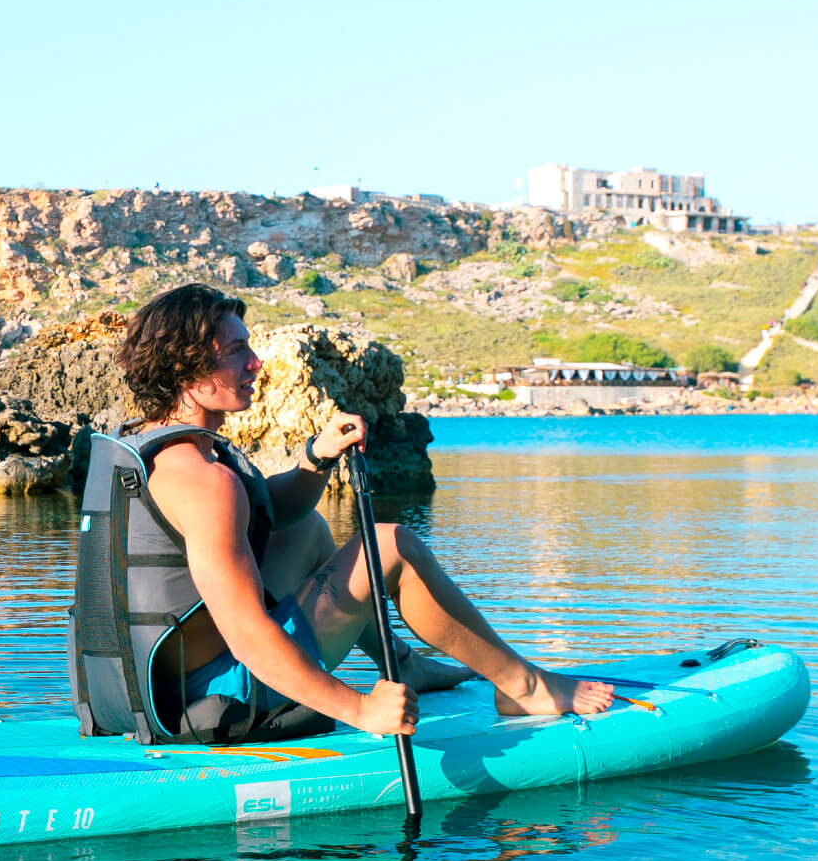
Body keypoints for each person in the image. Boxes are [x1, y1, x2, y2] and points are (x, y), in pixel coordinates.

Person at [112, 283, 613, 741]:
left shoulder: (155, 447)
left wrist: (316, 458)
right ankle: (521, 685)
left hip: (157, 688)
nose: (256, 362)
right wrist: (360, 709)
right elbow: (247, 636)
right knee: (391, 544)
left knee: (307, 530)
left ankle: (401, 662)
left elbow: (267, 513)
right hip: (215, 697)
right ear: (187, 370)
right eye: (237, 350)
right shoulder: (203, 481)